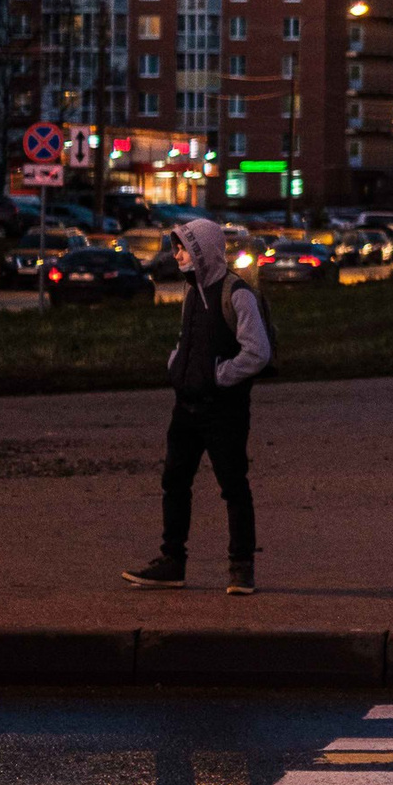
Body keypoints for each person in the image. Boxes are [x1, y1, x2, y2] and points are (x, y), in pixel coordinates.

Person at [123, 218, 274, 594]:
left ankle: (242, 568)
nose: (176, 255)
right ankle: (172, 562)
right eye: (176, 247)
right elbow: (185, 339)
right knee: (175, 481)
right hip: (186, 406)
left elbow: (258, 352)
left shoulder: (236, 293)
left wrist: (219, 376)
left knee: (233, 486)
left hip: (224, 411)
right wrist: (177, 364)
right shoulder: (192, 292)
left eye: (183, 248)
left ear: (203, 250)